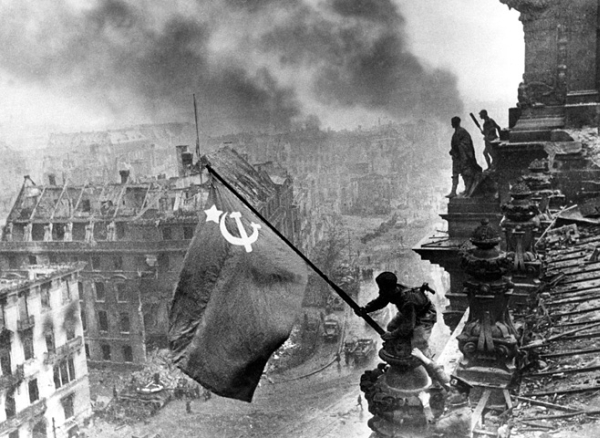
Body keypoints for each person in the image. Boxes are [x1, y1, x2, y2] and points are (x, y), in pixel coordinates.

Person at [357, 272, 437, 356]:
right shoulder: (392, 290)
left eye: (382, 289)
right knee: (392, 327)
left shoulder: (407, 301)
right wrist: (366, 309)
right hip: (410, 311)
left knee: (418, 344)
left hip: (424, 315)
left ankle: (427, 360)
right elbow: (381, 301)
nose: (380, 291)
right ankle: (402, 348)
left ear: (389, 289)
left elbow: (408, 325)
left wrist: (391, 335)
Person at [447, 116, 482, 198]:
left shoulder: (462, 132)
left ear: (457, 123)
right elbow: (455, 144)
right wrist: (453, 150)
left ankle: (467, 190)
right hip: (456, 157)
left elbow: (466, 143)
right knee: (455, 174)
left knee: (465, 174)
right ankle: (453, 191)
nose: (451, 124)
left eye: (453, 122)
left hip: (463, 157)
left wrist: (458, 148)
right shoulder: (456, 133)